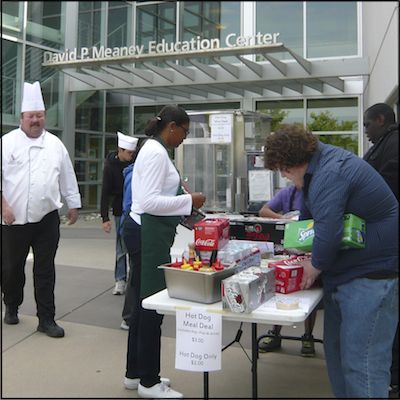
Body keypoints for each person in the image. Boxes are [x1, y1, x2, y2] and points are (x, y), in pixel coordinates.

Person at [263, 124, 398, 399]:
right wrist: (298, 253)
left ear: (293, 163)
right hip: (346, 275)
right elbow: (308, 222)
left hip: (371, 277)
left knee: (363, 366)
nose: (284, 176)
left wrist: (312, 267)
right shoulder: (317, 169)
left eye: (283, 169)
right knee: (338, 359)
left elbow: (328, 230)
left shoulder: (330, 172)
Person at [122, 105, 206, 398]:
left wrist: (181, 196)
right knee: (151, 308)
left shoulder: (154, 150)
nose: (184, 138)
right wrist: (189, 201)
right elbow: (149, 202)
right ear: (172, 127)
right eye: (184, 132)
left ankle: (135, 372)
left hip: (142, 231)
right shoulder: (157, 153)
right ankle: (149, 381)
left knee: (140, 305)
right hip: (147, 234)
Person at [1, 81, 82, 338]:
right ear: (21, 118)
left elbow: (67, 176)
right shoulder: (7, 142)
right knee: (12, 268)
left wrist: (74, 204)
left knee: (45, 269)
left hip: (47, 218)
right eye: (31, 116)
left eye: (39, 115)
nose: (35, 120)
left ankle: (46, 319)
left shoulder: (56, 144)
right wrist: (3, 206)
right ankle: (11, 304)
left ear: (44, 117)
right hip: (13, 219)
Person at [363, 103, 399, 397]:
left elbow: (385, 189)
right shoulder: (386, 144)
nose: (365, 132)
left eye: (367, 125)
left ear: (380, 119)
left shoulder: (394, 144)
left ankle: (391, 376)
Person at [258, 185, 318, 357]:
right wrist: (285, 219)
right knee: (281, 289)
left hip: (310, 248)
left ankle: (308, 336)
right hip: (288, 249)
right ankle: (275, 333)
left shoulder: (317, 190)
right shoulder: (287, 192)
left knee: (309, 289)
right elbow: (264, 211)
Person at [100, 131, 138, 296]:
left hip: (134, 208)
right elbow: (105, 192)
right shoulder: (110, 167)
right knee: (121, 246)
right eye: (129, 152)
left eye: (132, 153)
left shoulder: (135, 163)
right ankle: (120, 279)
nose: (131, 155)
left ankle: (130, 278)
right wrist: (105, 218)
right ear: (120, 150)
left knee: (132, 246)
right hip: (119, 209)